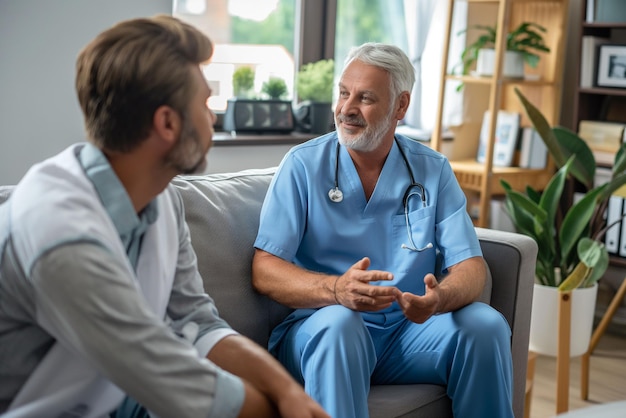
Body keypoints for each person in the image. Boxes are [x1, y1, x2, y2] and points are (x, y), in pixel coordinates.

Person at [0, 15, 328, 418]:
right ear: (167, 123)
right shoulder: (59, 233)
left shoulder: (160, 200)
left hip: (115, 394)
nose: (212, 120)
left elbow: (198, 323)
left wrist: (288, 392)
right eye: (207, 104)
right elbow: (173, 379)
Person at [252, 42, 514, 418]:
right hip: (324, 328)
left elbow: (471, 268)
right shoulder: (302, 166)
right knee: (341, 324)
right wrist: (335, 290)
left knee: (485, 326)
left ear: (401, 107)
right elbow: (264, 269)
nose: (346, 109)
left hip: (406, 334)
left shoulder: (432, 170)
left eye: (365, 98)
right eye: (343, 93)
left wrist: (438, 300)